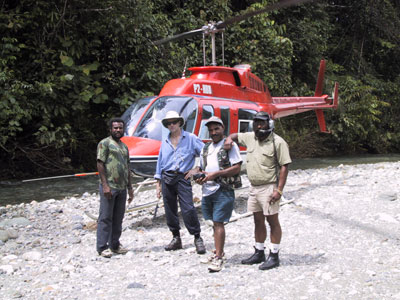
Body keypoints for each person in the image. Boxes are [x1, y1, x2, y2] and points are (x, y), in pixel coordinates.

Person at [224, 111, 291, 270]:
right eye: (256, 122)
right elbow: (234, 135)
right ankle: (259, 251)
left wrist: (279, 190)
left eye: (262, 122)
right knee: (257, 220)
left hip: (270, 187)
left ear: (270, 124)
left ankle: (274, 255)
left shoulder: (278, 142)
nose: (259, 125)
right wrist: (228, 139)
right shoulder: (250, 137)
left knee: (272, 221)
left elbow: (284, 167)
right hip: (253, 187)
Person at [193, 116, 242, 272]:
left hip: (223, 189)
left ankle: (219, 257)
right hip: (207, 190)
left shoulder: (230, 146)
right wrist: (198, 176)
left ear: (223, 129)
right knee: (212, 222)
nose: (213, 132)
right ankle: (218, 251)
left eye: (217, 129)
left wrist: (216, 174)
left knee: (219, 222)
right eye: (211, 130)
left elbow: (237, 168)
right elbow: (201, 168)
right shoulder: (205, 148)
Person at [155, 111, 206, 254]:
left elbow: (205, 152)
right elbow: (160, 161)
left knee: (188, 208)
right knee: (169, 209)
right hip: (166, 177)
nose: (171, 125)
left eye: (174, 122)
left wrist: (197, 168)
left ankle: (197, 237)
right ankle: (176, 238)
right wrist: (158, 183)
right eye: (169, 123)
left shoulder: (190, 138)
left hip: (182, 177)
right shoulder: (165, 140)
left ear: (179, 123)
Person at [96, 118, 134, 258]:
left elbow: (127, 167)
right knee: (105, 217)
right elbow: (100, 163)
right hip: (110, 186)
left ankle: (115, 245)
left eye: (120, 128)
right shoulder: (104, 143)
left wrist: (130, 188)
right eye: (115, 128)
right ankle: (102, 247)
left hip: (122, 187)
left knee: (118, 217)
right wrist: (105, 185)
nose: (118, 130)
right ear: (110, 129)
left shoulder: (124, 147)